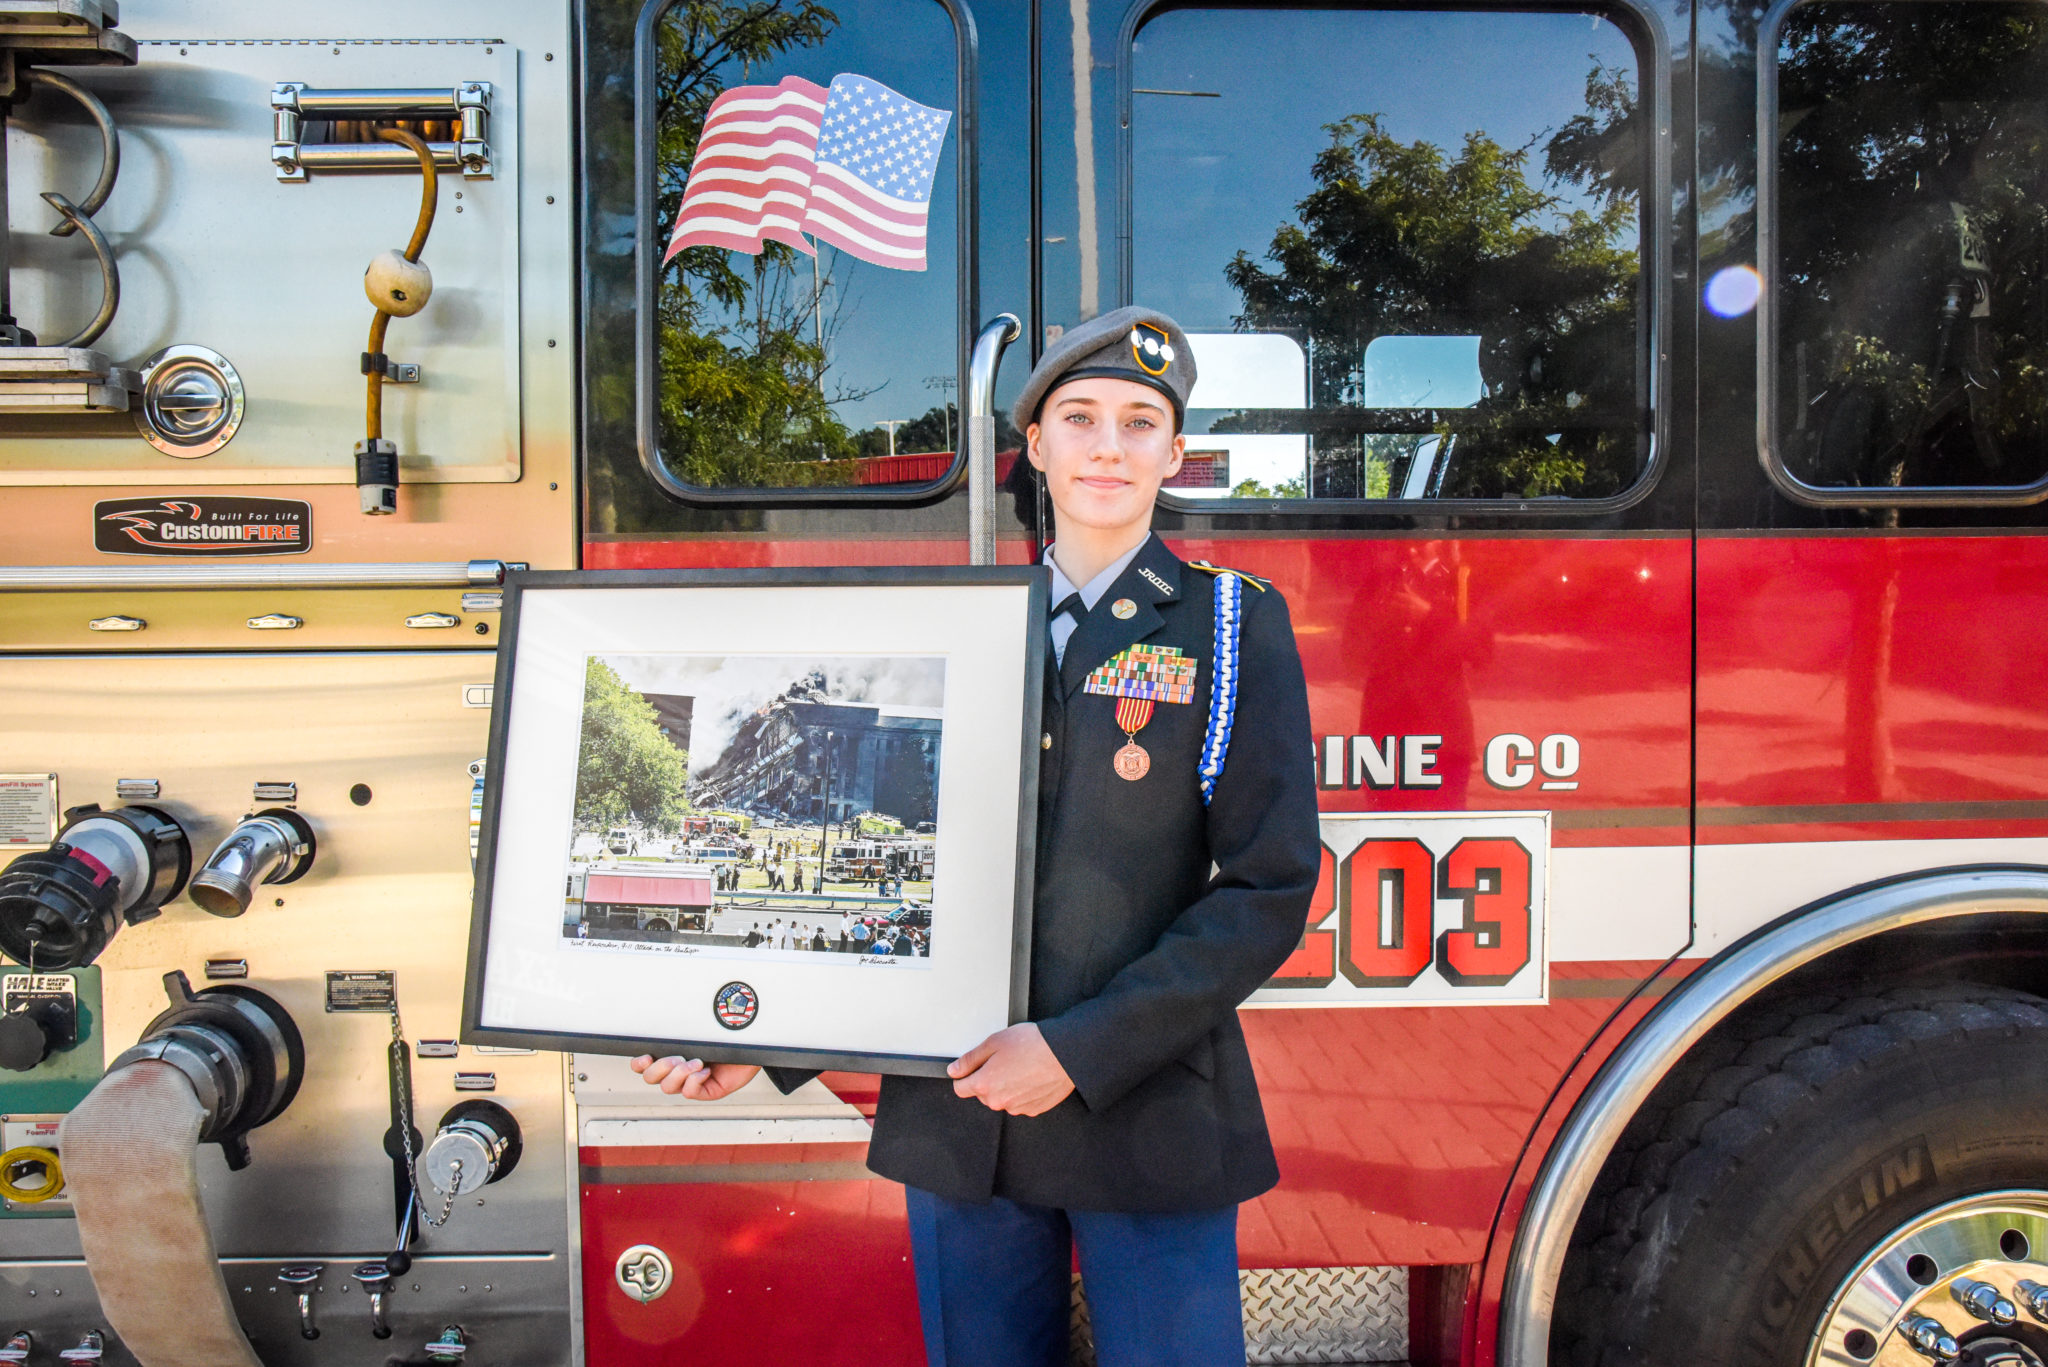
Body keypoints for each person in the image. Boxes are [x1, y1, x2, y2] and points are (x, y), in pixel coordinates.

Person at [633, 307, 1319, 1367]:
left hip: (1147, 1113)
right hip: (962, 1120)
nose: (1107, 444)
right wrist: (759, 1043)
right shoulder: (948, 621)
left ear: (1174, 453)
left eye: (1140, 422)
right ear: (1033, 446)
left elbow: (1270, 884)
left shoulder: (1229, 623)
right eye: (1078, 417)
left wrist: (1075, 1049)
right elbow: (885, 876)